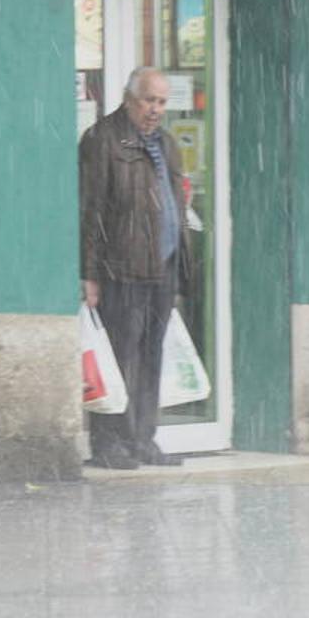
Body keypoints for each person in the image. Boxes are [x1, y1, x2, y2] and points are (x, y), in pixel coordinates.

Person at [79, 67, 188, 469]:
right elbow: (91, 210)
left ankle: (144, 438)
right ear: (129, 99)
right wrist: (89, 273)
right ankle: (109, 444)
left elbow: (174, 203)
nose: (156, 110)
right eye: (149, 100)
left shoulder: (167, 144)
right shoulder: (103, 140)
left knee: (151, 356)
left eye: (161, 102)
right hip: (121, 267)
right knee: (119, 356)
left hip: (162, 267)